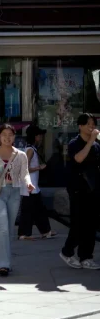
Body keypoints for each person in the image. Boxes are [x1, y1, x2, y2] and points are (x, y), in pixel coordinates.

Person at [0, 123, 34, 277]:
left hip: (15, 192)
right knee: (3, 226)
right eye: (4, 134)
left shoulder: (21, 154)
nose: (7, 137)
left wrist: (28, 183)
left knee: (9, 229)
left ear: (14, 137)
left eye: (10, 135)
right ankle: (2, 264)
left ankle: (7, 262)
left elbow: (25, 173)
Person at [60, 113, 100, 269]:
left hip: (93, 188)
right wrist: (90, 141)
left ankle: (86, 256)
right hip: (77, 189)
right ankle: (67, 251)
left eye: (93, 124)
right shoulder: (74, 143)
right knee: (78, 223)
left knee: (91, 224)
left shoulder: (97, 146)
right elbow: (78, 158)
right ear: (80, 126)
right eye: (88, 124)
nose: (91, 127)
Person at [18, 125, 57, 240]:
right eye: (39, 135)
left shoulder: (31, 149)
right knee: (30, 210)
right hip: (29, 186)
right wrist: (39, 168)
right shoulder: (30, 150)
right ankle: (24, 233)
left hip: (32, 186)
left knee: (38, 209)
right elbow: (24, 168)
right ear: (35, 137)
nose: (41, 137)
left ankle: (45, 231)